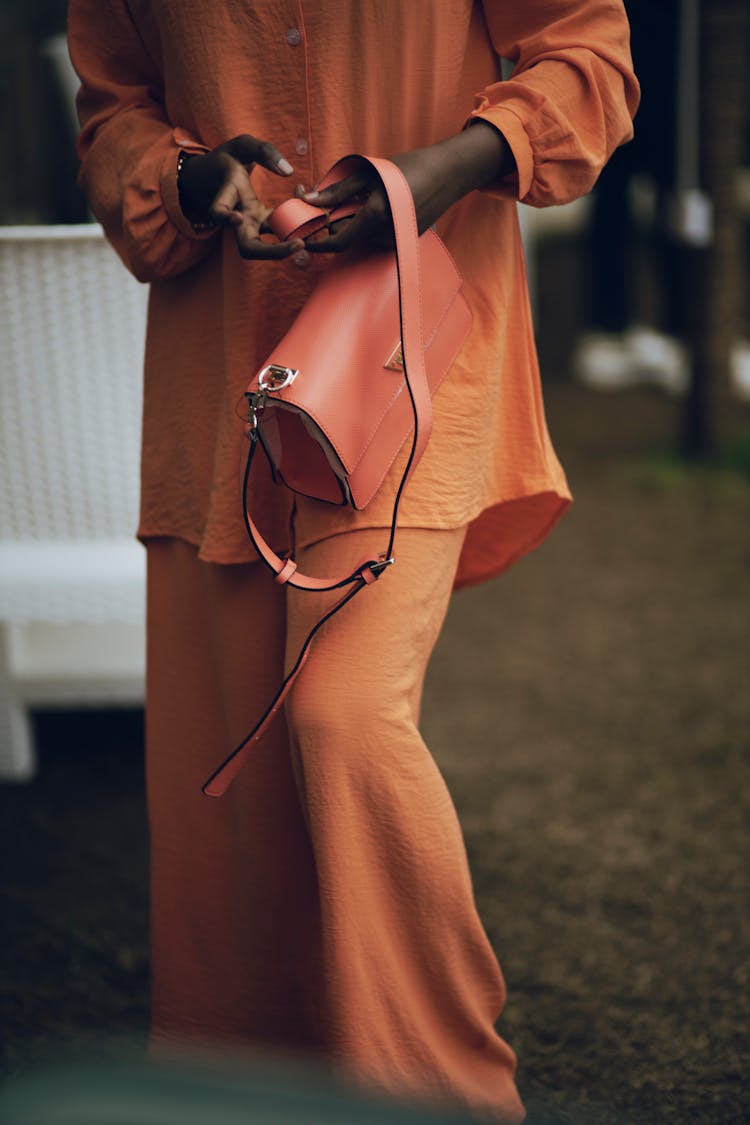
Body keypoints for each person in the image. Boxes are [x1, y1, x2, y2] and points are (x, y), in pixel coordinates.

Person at [68, 3, 638, 1120]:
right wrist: (190, 181)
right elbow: (113, 111)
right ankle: (250, 1096)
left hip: (413, 350)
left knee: (338, 714)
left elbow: (591, 59)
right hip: (220, 374)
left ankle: (448, 1098)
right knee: (226, 773)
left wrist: (441, 170)